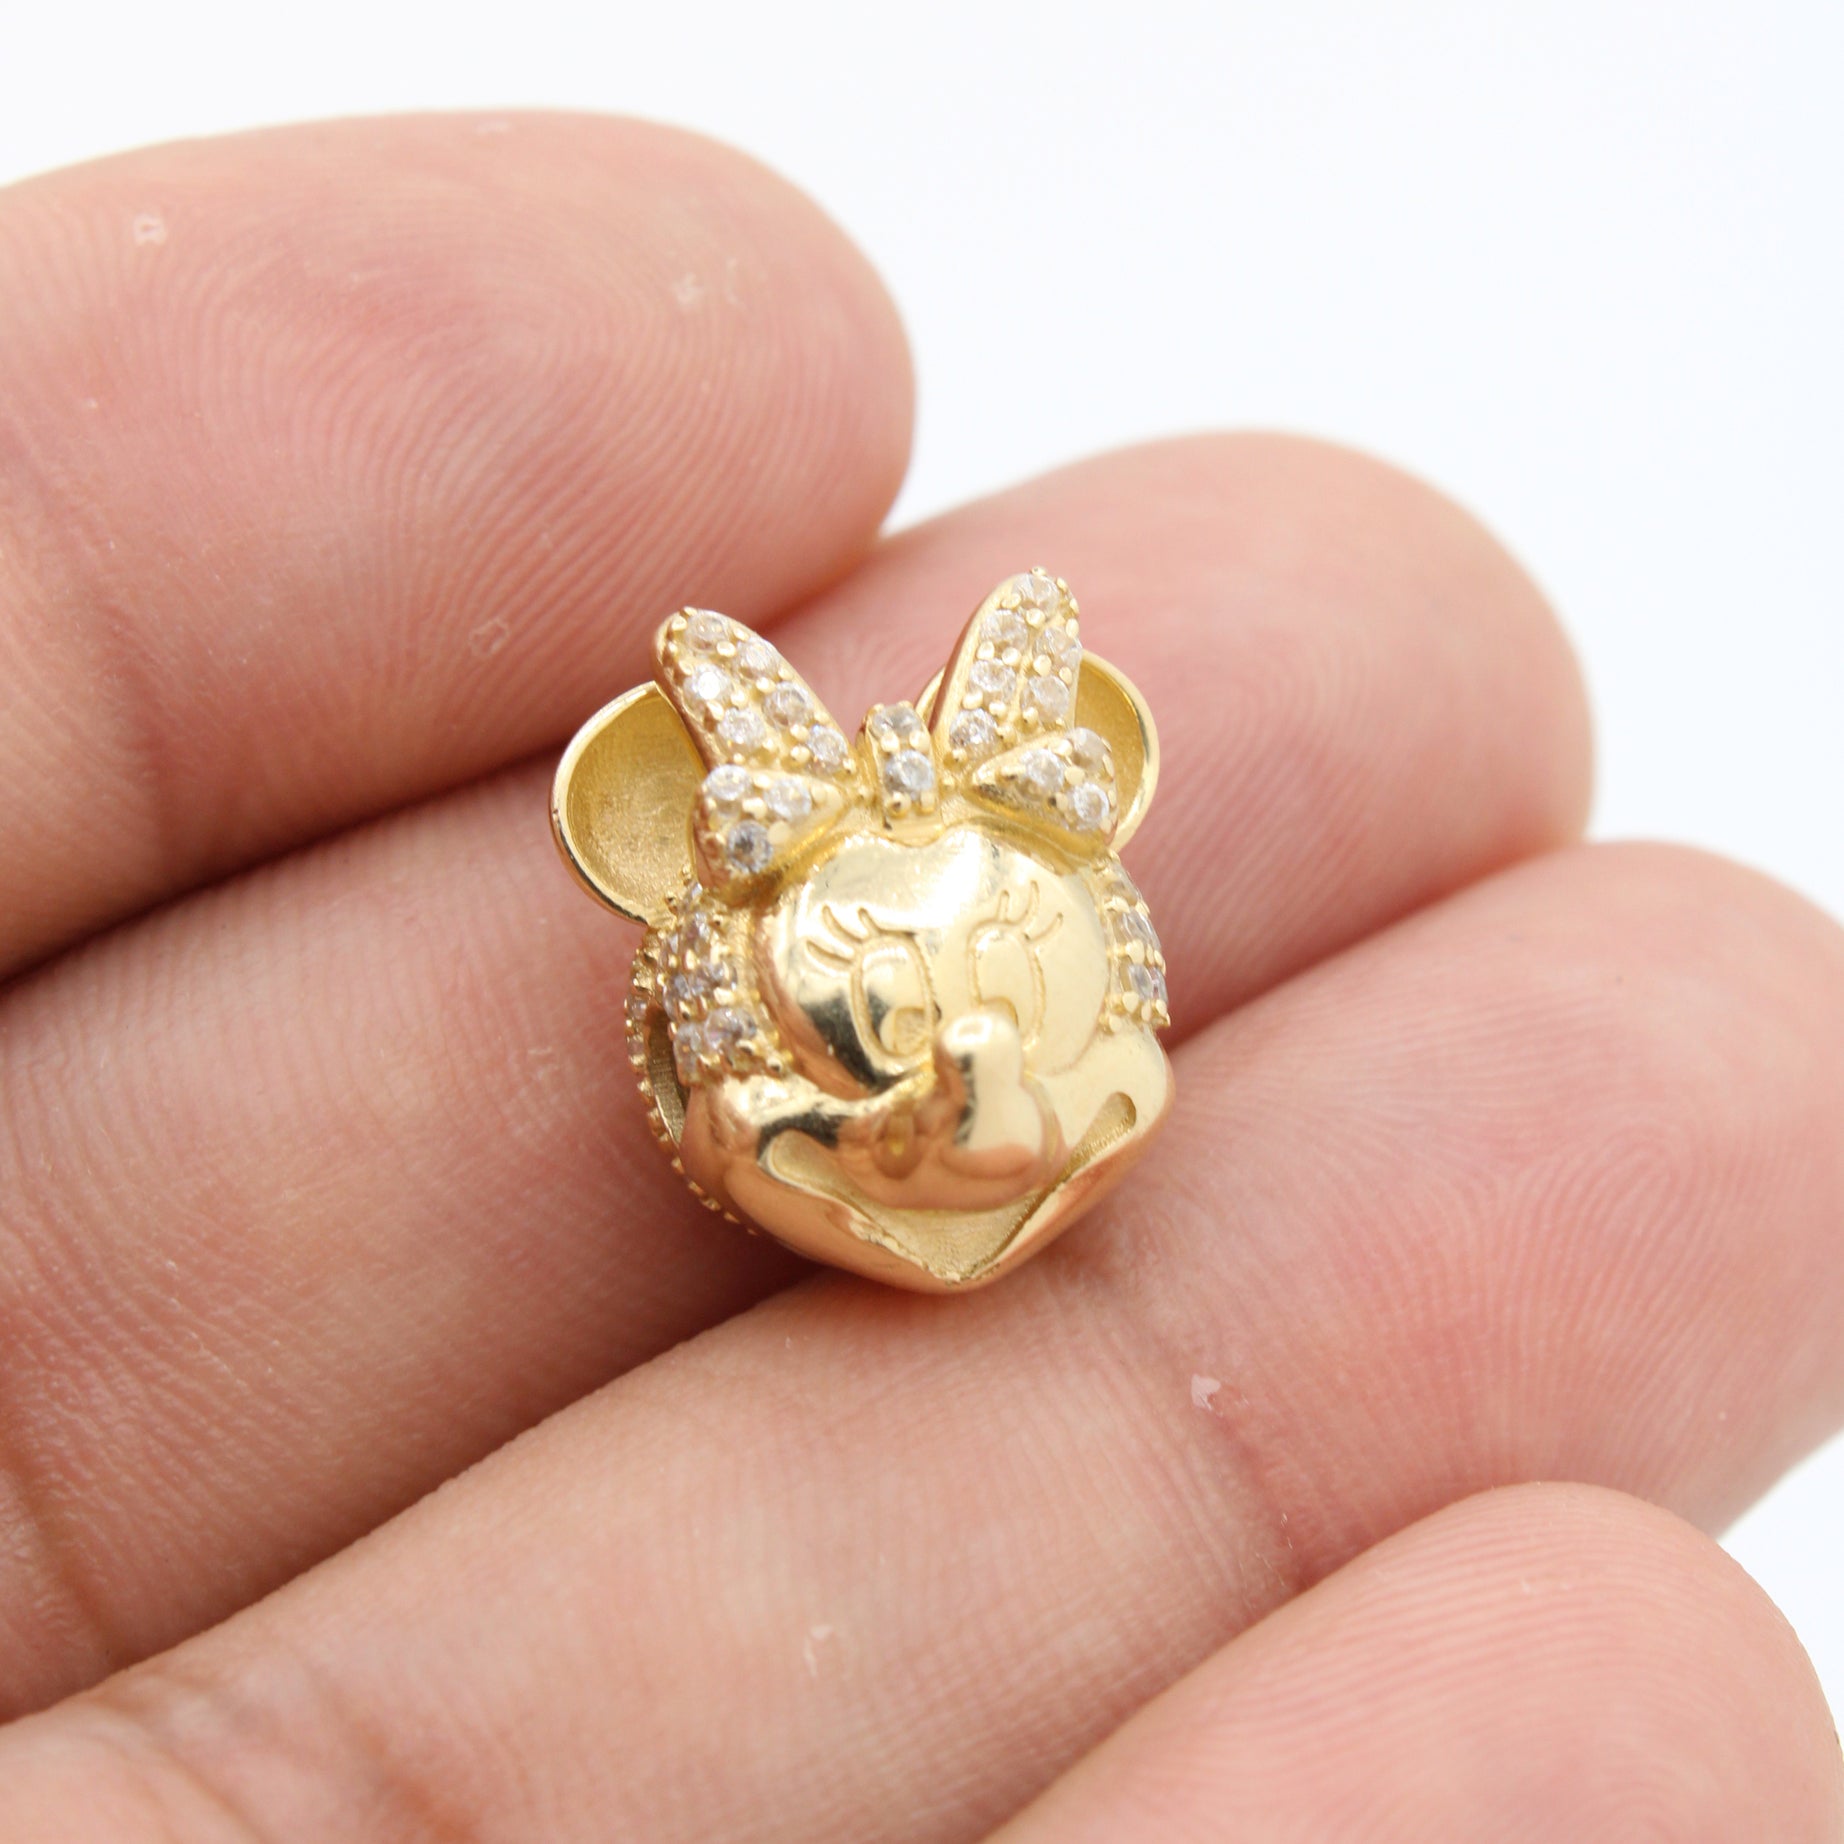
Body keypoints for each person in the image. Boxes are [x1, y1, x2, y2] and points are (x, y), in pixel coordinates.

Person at [0, 112, 1839, 1842]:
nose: (951, 1005)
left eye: (993, 959)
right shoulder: (764, 1047)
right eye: (884, 969)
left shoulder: (1067, 1006)